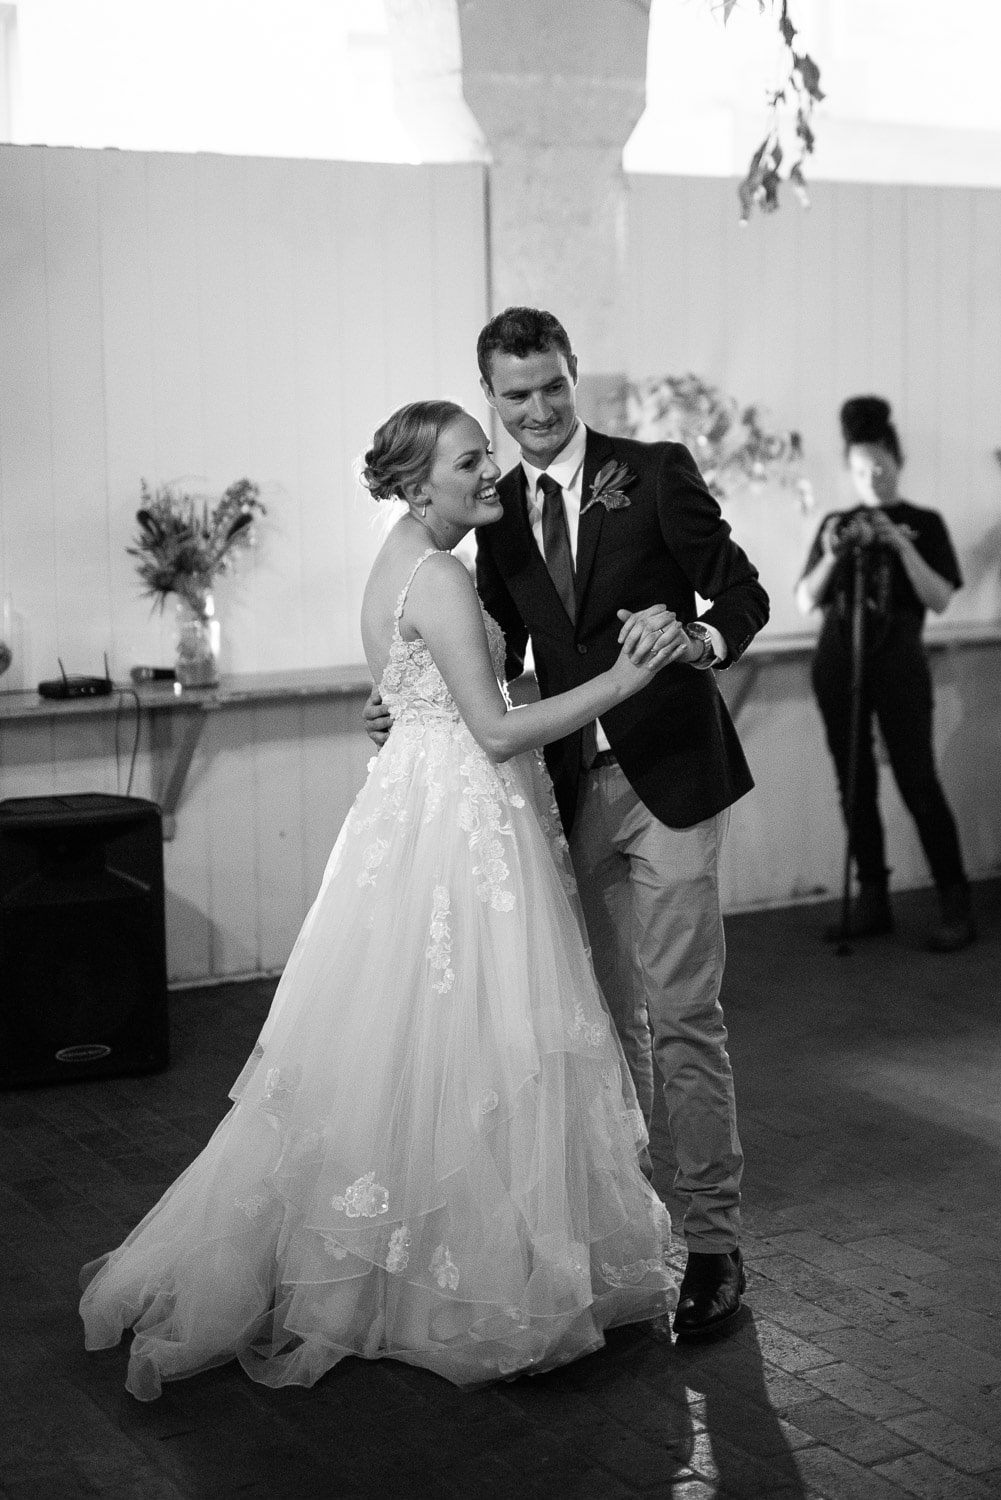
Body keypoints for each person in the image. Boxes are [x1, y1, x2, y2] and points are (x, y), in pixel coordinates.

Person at [79, 400, 680, 1401]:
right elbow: (489, 731)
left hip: (430, 813)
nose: (489, 471)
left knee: (419, 1045)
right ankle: (456, 1282)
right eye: (467, 461)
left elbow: (426, 696)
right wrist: (623, 680)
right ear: (416, 485)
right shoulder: (438, 572)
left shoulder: (410, 560)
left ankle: (414, 1258)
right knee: (472, 1041)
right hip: (460, 828)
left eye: (484, 456)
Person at [365, 309, 770, 1338]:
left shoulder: (653, 469)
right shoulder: (489, 516)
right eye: (514, 396)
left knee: (683, 1013)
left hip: (669, 776)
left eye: (550, 387)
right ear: (491, 400)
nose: (537, 410)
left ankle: (713, 1245)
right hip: (560, 791)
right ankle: (628, 1227)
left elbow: (743, 592)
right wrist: (406, 702)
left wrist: (696, 634)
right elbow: (488, 664)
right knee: (595, 1021)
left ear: (572, 375)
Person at [796, 395, 975, 952]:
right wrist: (833, 553)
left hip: (900, 659)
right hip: (837, 659)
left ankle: (955, 903)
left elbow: (940, 599)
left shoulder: (924, 523)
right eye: (859, 468)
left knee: (918, 780)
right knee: (854, 783)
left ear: (897, 460)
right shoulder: (837, 523)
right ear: (848, 470)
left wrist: (900, 545)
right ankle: (873, 900)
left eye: (879, 464)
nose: (871, 476)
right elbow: (805, 599)